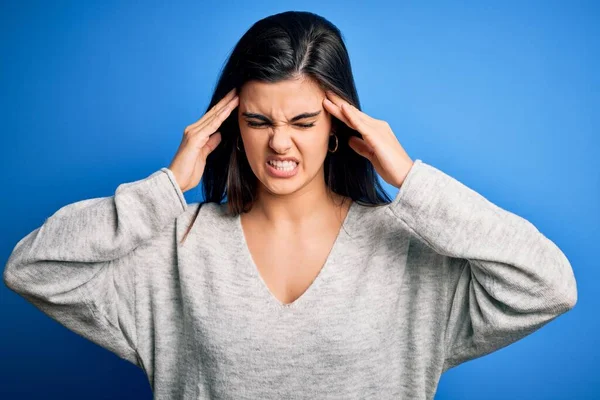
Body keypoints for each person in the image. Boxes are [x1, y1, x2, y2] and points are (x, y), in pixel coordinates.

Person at [3, 10, 577, 400]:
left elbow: (549, 285)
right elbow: (32, 267)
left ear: (338, 124)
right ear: (231, 126)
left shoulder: (408, 255)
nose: (281, 142)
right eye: (258, 121)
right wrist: (166, 186)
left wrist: (408, 178)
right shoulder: (177, 248)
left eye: (303, 121)